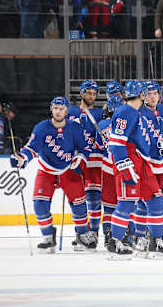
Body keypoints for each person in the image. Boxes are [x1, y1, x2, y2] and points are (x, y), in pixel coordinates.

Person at [10, 96, 96, 253]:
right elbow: (32, 148)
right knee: (39, 204)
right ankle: (48, 236)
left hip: (68, 170)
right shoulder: (41, 128)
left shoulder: (75, 128)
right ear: (51, 109)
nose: (58, 111)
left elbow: (85, 148)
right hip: (47, 171)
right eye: (55, 108)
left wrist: (81, 159)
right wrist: (21, 158)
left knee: (79, 206)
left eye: (61, 108)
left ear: (66, 110)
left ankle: (82, 234)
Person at [107, 81, 163, 259]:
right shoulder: (126, 111)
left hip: (141, 163)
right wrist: (124, 166)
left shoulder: (133, 112)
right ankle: (116, 242)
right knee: (127, 202)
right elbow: (115, 143)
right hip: (129, 162)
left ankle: (155, 242)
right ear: (142, 95)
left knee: (155, 200)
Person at [135, 80, 163, 252]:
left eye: (155, 93)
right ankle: (140, 237)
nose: (153, 97)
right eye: (149, 93)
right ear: (143, 96)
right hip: (146, 165)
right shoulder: (138, 113)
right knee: (144, 202)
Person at [67, 80, 104, 244]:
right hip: (76, 160)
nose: (92, 96)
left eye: (95, 94)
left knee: (94, 197)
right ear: (81, 93)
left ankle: (94, 233)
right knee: (78, 198)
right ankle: (81, 232)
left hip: (95, 159)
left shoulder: (99, 113)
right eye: (89, 93)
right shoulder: (70, 111)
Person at [94, 95, 124, 246]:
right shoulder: (127, 123)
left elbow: (99, 146)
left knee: (109, 207)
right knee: (126, 204)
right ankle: (127, 235)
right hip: (123, 167)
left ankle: (107, 235)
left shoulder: (102, 124)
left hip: (107, 169)